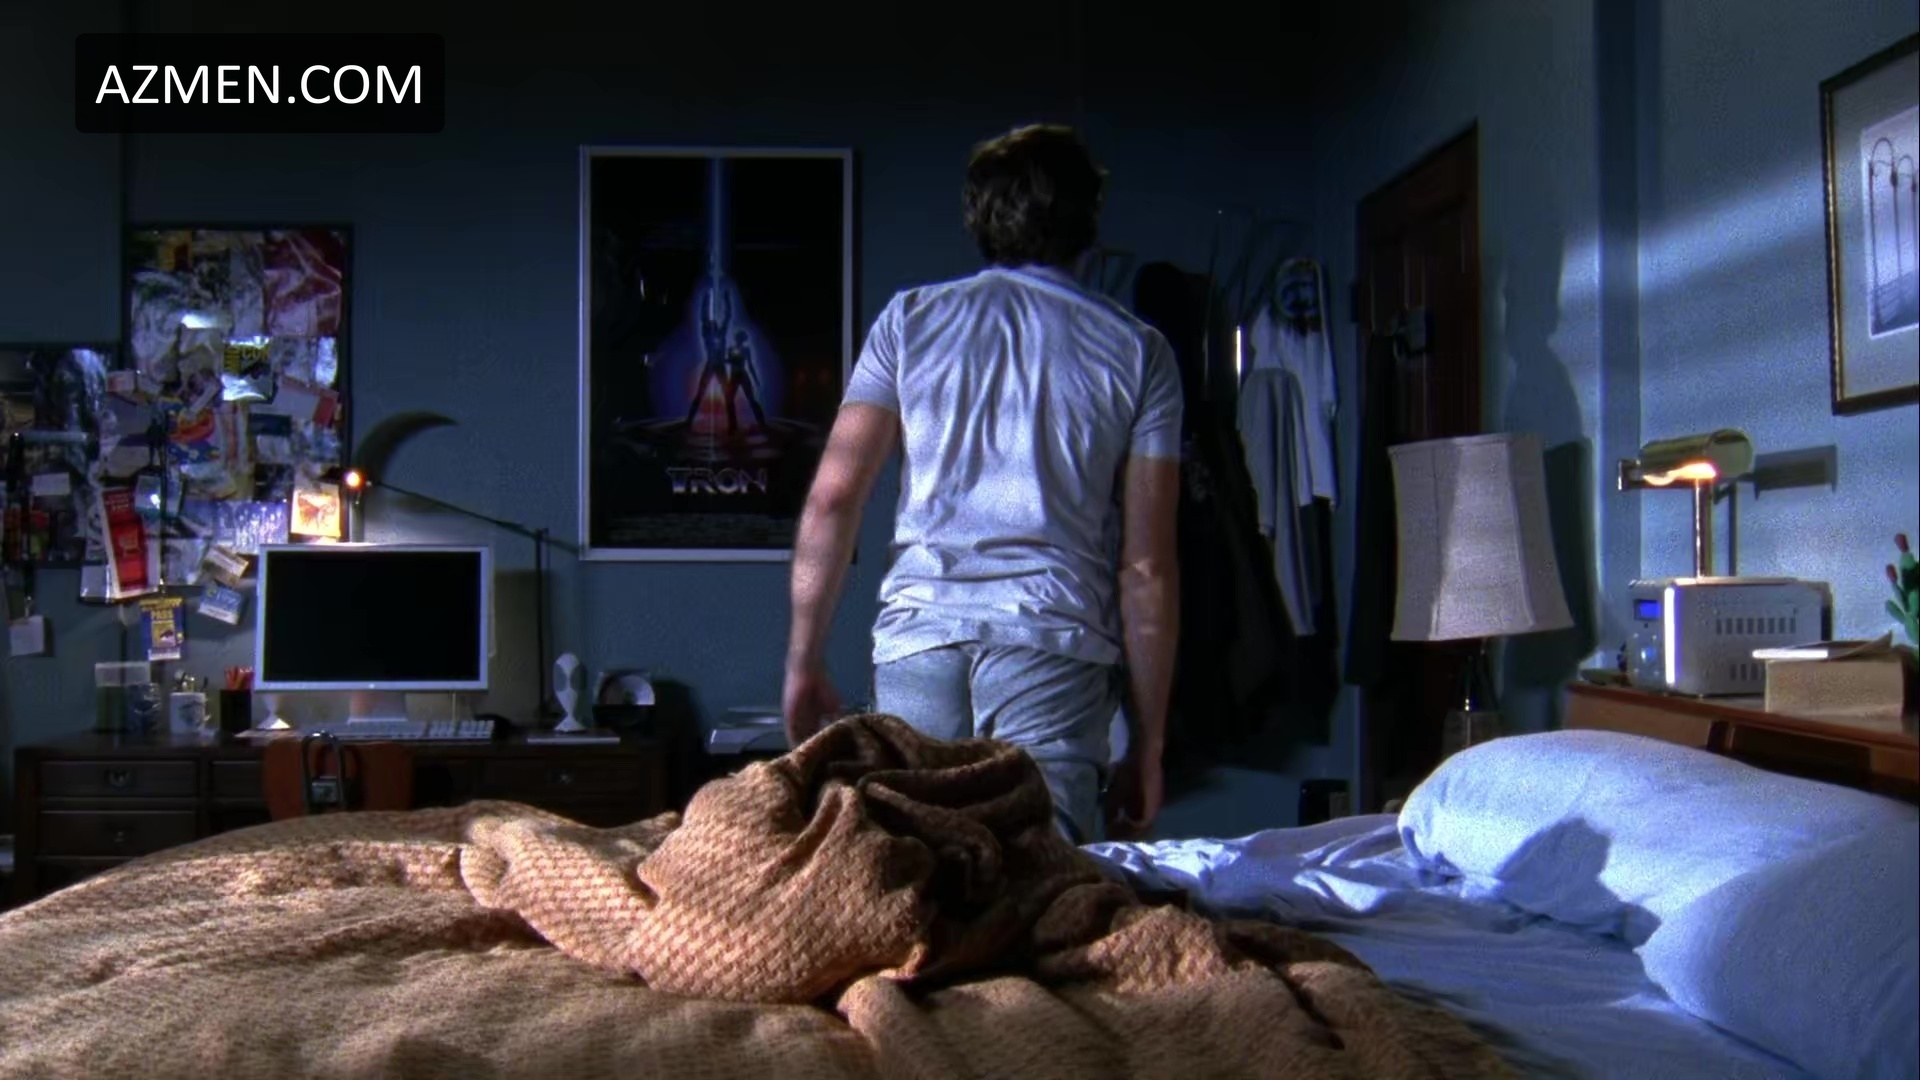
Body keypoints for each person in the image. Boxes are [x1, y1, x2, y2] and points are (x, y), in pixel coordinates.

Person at [780, 123, 1183, 843]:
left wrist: (803, 661)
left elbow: (832, 500)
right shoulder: (1138, 351)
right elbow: (1146, 568)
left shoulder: (909, 322)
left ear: (980, 216)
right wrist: (1147, 745)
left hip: (920, 643)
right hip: (1052, 646)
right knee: (1039, 884)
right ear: (1088, 216)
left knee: (920, 877)